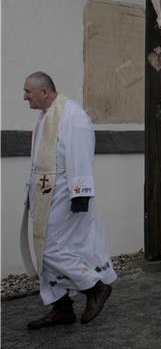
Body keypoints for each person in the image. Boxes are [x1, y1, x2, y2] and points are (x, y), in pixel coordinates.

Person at [21, 72, 116, 329]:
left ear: (44, 92)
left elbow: (80, 154)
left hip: (66, 194)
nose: (25, 96)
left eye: (28, 91)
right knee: (45, 248)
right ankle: (62, 308)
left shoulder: (72, 115)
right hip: (46, 195)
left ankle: (94, 287)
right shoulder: (46, 117)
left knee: (51, 247)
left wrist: (81, 193)